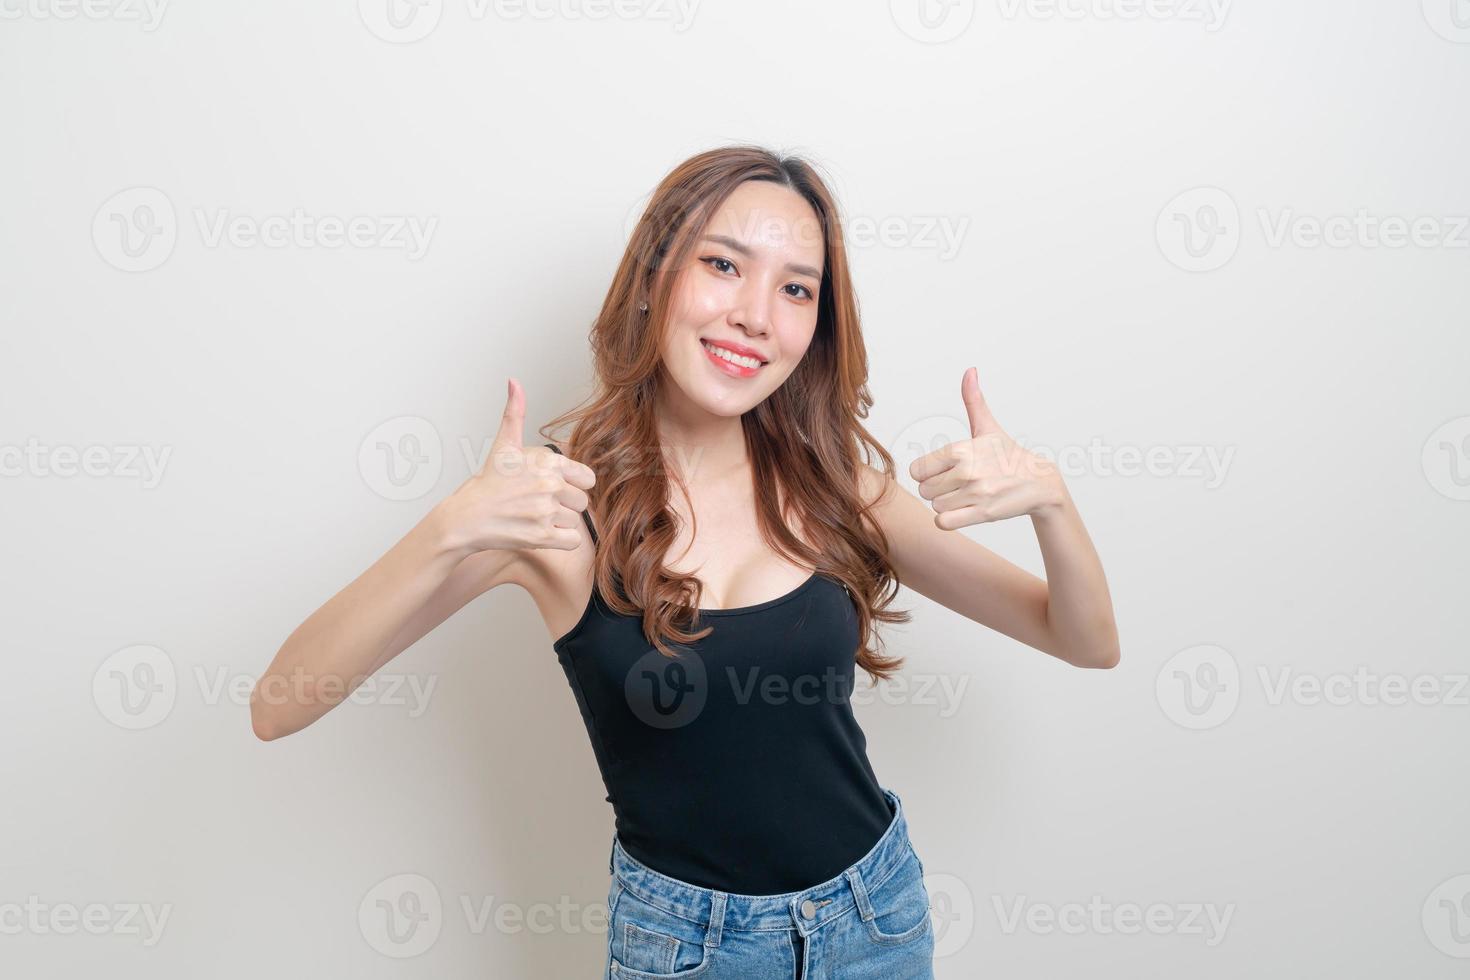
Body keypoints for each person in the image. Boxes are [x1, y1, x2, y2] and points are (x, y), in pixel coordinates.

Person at [251, 144, 1120, 978]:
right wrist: (449, 527)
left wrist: (1052, 501)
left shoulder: (834, 487)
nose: (755, 314)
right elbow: (277, 706)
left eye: (796, 288)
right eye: (722, 266)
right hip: (690, 950)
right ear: (653, 279)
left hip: (874, 921)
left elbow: (1082, 639)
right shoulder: (557, 512)